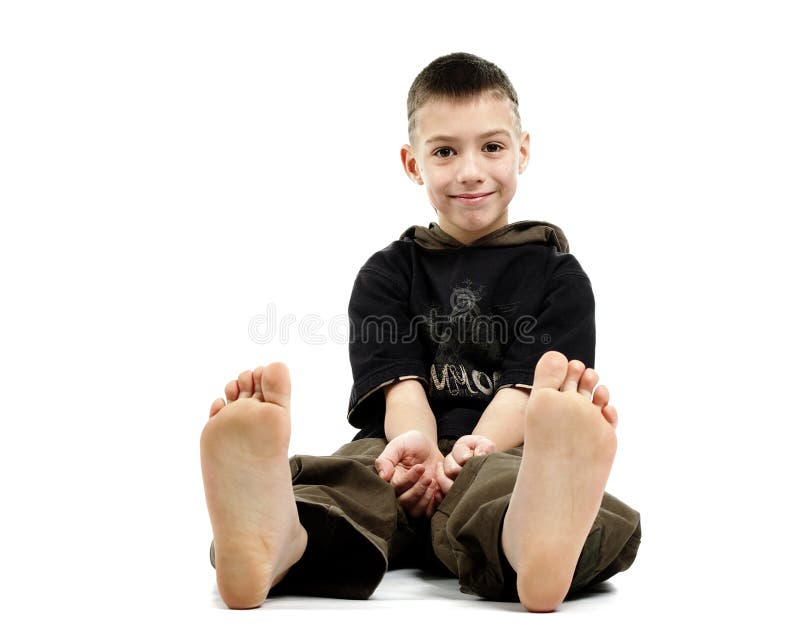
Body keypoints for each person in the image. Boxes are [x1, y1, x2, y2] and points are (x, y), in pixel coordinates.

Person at [199, 52, 641, 613]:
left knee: (501, 487)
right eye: (445, 152)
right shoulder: (388, 273)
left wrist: (472, 451)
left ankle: (534, 541)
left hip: (512, 454)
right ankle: (277, 540)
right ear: (413, 163)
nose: (470, 170)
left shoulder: (558, 275)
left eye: (493, 146)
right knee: (344, 480)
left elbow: (526, 390)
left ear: (523, 150)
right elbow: (400, 387)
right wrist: (421, 452)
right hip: (399, 451)